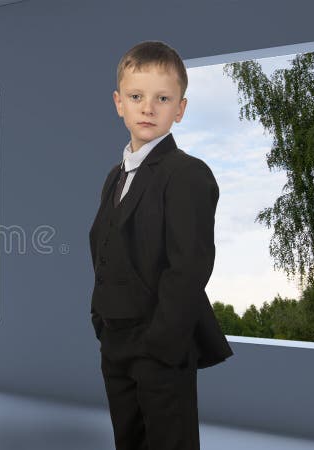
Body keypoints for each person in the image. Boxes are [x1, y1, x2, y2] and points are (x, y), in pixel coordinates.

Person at [88, 40, 234, 450]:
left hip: (161, 346)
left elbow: (189, 267)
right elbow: (106, 247)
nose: (148, 108)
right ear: (119, 103)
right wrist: (102, 321)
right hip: (115, 341)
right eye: (137, 97)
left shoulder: (188, 174)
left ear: (180, 109)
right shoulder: (113, 177)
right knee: (129, 442)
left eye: (162, 98)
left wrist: (160, 345)